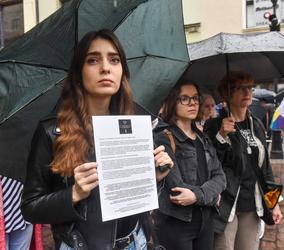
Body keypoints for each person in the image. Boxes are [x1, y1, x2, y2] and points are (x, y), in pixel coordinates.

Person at [21, 29, 173, 250]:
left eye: (114, 59)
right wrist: (73, 194)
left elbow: (138, 200)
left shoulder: (135, 125)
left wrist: (155, 179)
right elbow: (30, 207)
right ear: (79, 73)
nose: (105, 67)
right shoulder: (52, 131)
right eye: (93, 60)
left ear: (122, 71)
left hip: (137, 242)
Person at [203, 71, 283, 250]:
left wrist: (273, 203)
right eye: (239, 88)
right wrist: (222, 136)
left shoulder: (257, 125)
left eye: (249, 87)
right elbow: (211, 163)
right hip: (225, 205)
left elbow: (265, 169)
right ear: (226, 93)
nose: (247, 92)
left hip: (252, 205)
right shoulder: (214, 125)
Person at [152, 80, 226, 250]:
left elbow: (220, 177)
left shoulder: (203, 137)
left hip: (206, 220)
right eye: (184, 98)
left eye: (195, 98)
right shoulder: (164, 137)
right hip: (177, 223)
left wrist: (198, 196)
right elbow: (176, 188)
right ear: (172, 102)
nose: (192, 103)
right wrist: (213, 196)